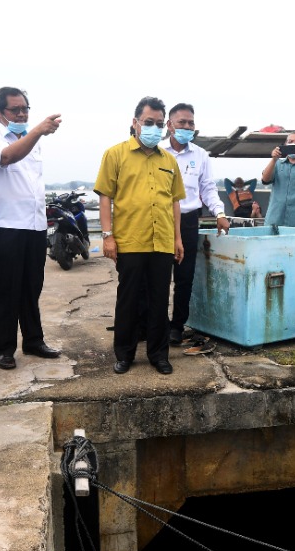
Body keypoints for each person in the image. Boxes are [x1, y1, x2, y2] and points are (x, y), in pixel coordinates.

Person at [94, 96, 185, 375]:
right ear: (135, 123)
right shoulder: (115, 154)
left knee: (160, 300)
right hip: (130, 240)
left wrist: (177, 239)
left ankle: (159, 355)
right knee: (129, 299)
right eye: (149, 122)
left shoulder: (168, 159)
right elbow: (106, 197)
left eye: (159, 124)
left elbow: (174, 201)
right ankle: (124, 353)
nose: (154, 129)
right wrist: (108, 236)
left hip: (162, 241)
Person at [0, 87, 62, 370]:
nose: (22, 113)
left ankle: (33, 340)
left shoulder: (31, 139)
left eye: (25, 108)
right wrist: (37, 131)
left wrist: (33, 134)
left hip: (34, 225)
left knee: (31, 287)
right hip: (5, 225)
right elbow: (7, 157)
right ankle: (3, 348)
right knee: (5, 290)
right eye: (15, 109)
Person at [161, 103, 230, 345]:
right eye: (182, 122)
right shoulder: (157, 151)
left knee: (184, 277)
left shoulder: (200, 155)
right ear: (170, 125)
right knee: (155, 277)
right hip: (159, 220)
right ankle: (153, 325)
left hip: (189, 221)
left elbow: (208, 188)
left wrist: (220, 212)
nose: (187, 127)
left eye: (191, 123)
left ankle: (176, 327)